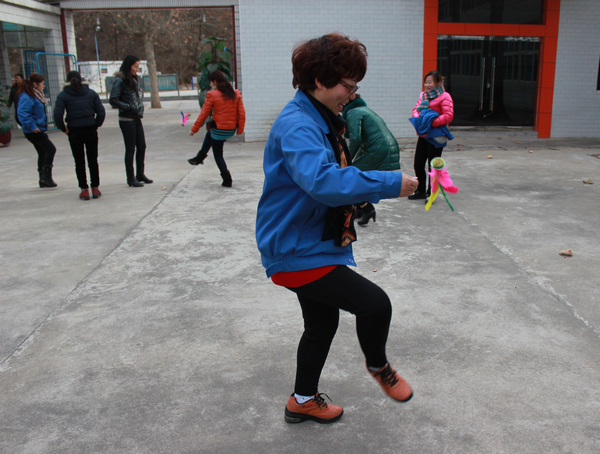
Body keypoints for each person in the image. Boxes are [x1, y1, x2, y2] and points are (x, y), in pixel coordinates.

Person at [255, 33, 419, 425]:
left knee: (322, 324)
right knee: (374, 305)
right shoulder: (299, 125)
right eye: (348, 85)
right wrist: (389, 183)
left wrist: (360, 197)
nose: (352, 93)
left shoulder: (319, 117)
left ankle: (302, 400)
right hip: (295, 248)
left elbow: (331, 177)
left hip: (310, 239)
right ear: (319, 81)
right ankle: (379, 367)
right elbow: (324, 181)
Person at [342, 93, 401, 225]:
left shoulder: (352, 112)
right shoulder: (363, 109)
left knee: (351, 177)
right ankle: (360, 209)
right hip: (384, 147)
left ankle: (367, 209)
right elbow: (364, 141)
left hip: (379, 149)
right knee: (357, 175)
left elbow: (355, 139)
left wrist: (346, 159)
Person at [188, 70, 246, 188]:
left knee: (218, 155)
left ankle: (227, 179)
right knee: (209, 134)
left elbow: (203, 115)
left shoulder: (212, 95)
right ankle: (199, 157)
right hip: (231, 130)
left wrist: (194, 129)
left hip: (219, 130)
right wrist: (240, 130)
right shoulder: (235, 93)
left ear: (213, 81)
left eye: (211, 82)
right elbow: (242, 113)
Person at [54, 71, 106, 200]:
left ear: (67, 81)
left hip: (74, 131)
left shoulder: (63, 95)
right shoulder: (91, 93)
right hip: (90, 129)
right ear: (81, 80)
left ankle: (84, 190)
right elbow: (101, 111)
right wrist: (96, 124)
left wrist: (64, 129)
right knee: (93, 160)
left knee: (79, 161)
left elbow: (57, 115)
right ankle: (95, 188)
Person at [408, 70, 454, 202]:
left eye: (430, 82)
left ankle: (431, 193)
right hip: (424, 134)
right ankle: (421, 190)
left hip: (436, 135)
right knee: (418, 163)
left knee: (433, 166)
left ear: (438, 83)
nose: (427, 85)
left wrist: (431, 123)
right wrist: (420, 120)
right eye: (426, 82)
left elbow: (448, 115)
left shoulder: (445, 96)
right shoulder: (423, 95)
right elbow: (416, 109)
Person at [109, 55, 152, 188]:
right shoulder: (119, 81)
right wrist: (129, 107)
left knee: (142, 146)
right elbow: (113, 100)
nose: (137, 69)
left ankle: (140, 174)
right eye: (135, 67)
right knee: (130, 149)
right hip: (127, 119)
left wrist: (138, 108)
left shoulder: (133, 79)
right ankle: (130, 177)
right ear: (129, 66)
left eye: (138, 67)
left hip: (136, 117)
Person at [17, 73, 57, 188]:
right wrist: (32, 126)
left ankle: (43, 178)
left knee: (43, 152)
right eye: (42, 84)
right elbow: (22, 113)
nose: (43, 86)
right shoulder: (28, 96)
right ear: (35, 84)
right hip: (33, 131)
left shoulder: (35, 95)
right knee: (50, 149)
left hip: (37, 128)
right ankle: (46, 176)